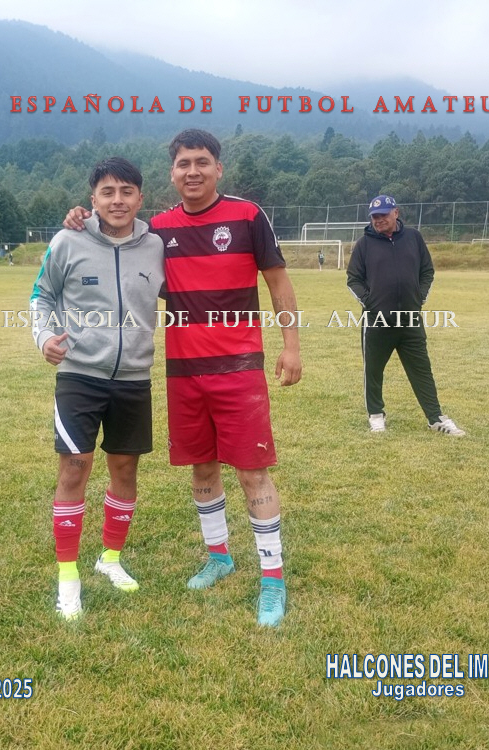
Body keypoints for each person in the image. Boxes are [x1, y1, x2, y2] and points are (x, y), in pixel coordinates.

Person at [66, 129, 301, 627]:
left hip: (239, 369)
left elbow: (278, 281)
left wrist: (292, 346)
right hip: (183, 372)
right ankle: (219, 558)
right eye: (183, 164)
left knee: (252, 472)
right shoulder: (158, 231)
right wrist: (80, 218)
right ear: (171, 174)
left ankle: (272, 581)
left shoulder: (248, 216)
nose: (193, 171)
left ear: (218, 168)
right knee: (202, 469)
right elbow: (113, 235)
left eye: (202, 162)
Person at [31, 157, 165, 621]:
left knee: (125, 470)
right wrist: (44, 337)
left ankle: (110, 559)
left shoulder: (155, 246)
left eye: (127, 191)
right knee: (75, 468)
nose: (117, 200)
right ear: (93, 200)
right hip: (79, 375)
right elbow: (42, 295)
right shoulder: (67, 240)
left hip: (134, 378)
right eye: (108, 192)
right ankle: (68, 578)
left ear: (140, 198)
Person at [346, 194, 465, 436]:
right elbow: (353, 280)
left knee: (422, 370)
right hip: (377, 321)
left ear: (396, 213)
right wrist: (372, 304)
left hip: (410, 320)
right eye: (374, 216)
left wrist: (419, 298)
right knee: (373, 370)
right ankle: (376, 416)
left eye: (383, 215)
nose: (378, 220)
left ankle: (435, 418)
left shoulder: (414, 238)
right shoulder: (364, 244)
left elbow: (427, 271)